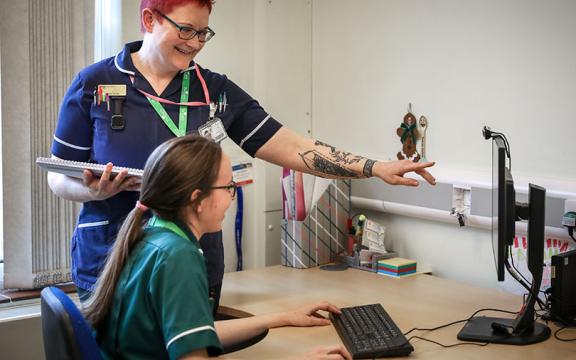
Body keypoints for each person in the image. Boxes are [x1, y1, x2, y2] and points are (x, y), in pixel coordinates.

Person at [48, 0, 436, 311]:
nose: (195, 42)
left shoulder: (214, 90)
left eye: (203, 33)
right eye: (185, 29)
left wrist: (374, 167)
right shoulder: (95, 84)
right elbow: (57, 176)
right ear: (149, 19)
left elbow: (292, 146)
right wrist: (95, 192)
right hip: (113, 259)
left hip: (192, 261)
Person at [83, 134, 351, 359]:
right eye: (228, 187)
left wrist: (282, 317)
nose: (231, 197)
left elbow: (196, 331)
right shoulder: (178, 256)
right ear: (197, 198)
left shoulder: (153, 234)